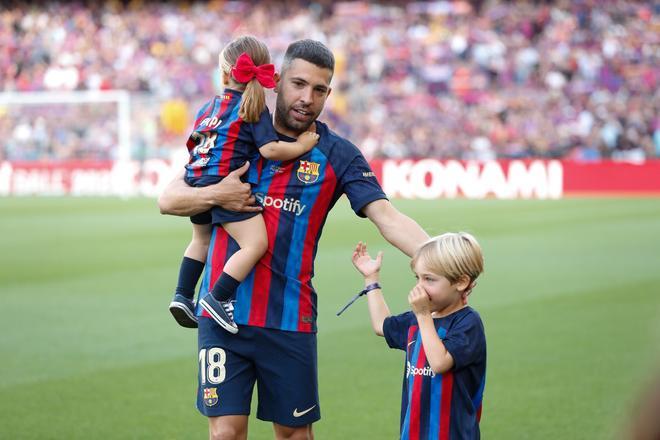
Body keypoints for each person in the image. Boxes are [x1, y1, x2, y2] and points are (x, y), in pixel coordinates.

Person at [158, 39, 429, 440]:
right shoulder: (239, 127)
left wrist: (442, 256)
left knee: (293, 436)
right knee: (224, 435)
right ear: (278, 81)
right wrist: (217, 194)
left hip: (289, 319)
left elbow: (386, 217)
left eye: (319, 90)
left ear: (328, 94)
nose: (307, 98)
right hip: (222, 315)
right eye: (299, 84)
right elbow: (169, 198)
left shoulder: (338, 155)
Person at [169, 35, 319, 333]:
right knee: (255, 243)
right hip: (225, 183)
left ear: (224, 73)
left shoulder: (207, 108)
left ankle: (182, 295)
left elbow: (194, 145)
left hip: (196, 178)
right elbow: (271, 150)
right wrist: (302, 145)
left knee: (200, 240)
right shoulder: (253, 108)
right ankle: (218, 297)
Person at [351, 233, 486, 439]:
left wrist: (423, 315)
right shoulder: (418, 319)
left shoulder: (467, 323)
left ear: (460, 282)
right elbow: (381, 325)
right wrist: (371, 280)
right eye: (418, 278)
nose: (419, 287)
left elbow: (439, 363)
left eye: (429, 279)